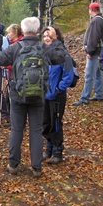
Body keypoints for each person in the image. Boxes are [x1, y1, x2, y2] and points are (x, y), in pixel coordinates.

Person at [0, 17, 66, 178]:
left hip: (17, 95)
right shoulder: (44, 48)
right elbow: (60, 57)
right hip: (38, 96)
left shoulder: (15, 48)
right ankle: (36, 167)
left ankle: (13, 165)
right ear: (38, 31)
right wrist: (55, 39)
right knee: (35, 131)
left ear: (23, 31)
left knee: (17, 130)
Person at [41, 26, 75, 164]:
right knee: (45, 122)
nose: (46, 38)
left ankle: (57, 150)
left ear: (55, 37)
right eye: (44, 36)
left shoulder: (62, 54)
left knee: (55, 123)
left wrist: (58, 89)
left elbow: (68, 75)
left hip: (57, 95)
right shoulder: (43, 53)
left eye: (49, 36)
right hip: (44, 94)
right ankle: (48, 147)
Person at [73, 2, 103, 106]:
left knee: (89, 76)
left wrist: (90, 51)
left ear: (91, 10)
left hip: (95, 52)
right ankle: (99, 94)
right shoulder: (101, 19)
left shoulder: (96, 21)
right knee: (98, 74)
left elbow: (93, 37)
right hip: (100, 51)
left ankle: (84, 97)